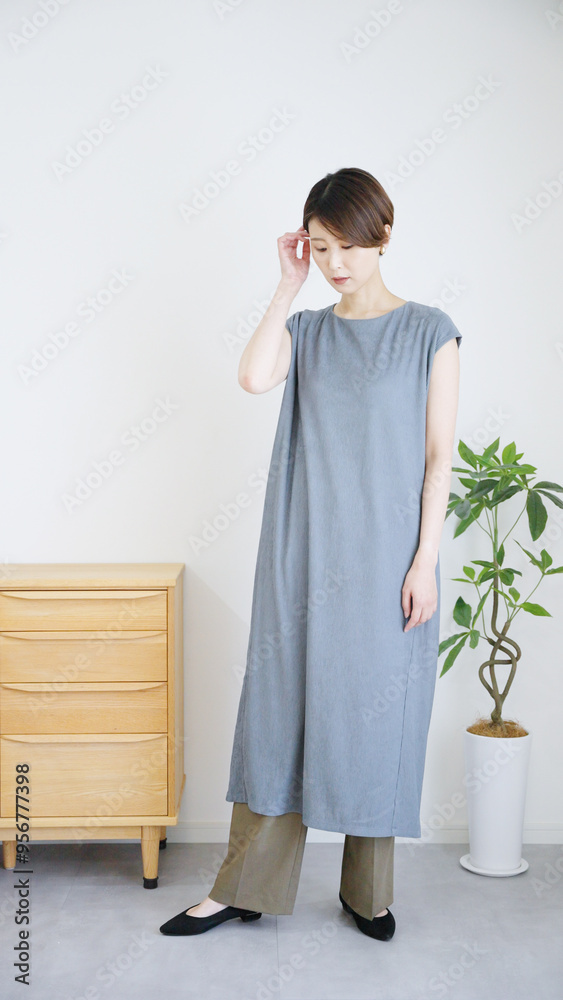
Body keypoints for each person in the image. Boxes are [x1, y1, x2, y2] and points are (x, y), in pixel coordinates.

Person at [160, 167, 462, 941]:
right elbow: (252, 376)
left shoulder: (429, 330)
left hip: (390, 563)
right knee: (278, 712)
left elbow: (438, 457)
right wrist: (286, 286)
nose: (335, 262)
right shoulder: (309, 331)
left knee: (375, 719)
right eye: (321, 247)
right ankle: (243, 887)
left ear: (383, 235)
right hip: (300, 554)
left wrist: (424, 559)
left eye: (347, 246)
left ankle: (367, 893)